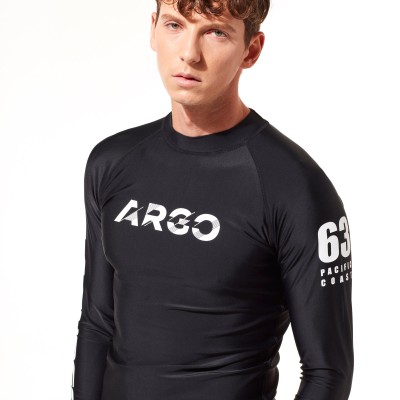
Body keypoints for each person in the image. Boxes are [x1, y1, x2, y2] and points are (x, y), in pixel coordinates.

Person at [71, 1, 354, 399]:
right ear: (153, 29)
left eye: (216, 32)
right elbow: (97, 323)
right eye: (175, 25)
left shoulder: (296, 188)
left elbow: (328, 373)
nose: (189, 53)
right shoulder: (112, 162)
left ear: (251, 50)